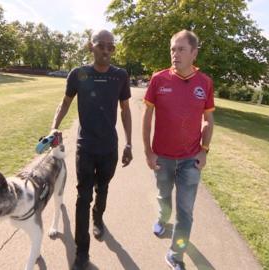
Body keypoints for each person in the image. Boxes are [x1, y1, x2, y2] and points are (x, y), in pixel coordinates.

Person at [50, 29, 133, 270]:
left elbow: (125, 110)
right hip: (85, 147)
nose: (106, 50)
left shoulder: (120, 76)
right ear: (91, 46)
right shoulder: (79, 74)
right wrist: (54, 128)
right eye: (101, 45)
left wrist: (129, 142)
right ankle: (82, 253)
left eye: (110, 46)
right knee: (82, 197)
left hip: (109, 148)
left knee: (103, 187)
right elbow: (65, 103)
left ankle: (98, 218)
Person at [142, 30, 215, 270]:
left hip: (189, 160)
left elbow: (208, 120)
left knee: (186, 211)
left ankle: (176, 254)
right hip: (162, 157)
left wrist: (204, 149)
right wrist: (148, 152)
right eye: (173, 49)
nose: (175, 54)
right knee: (164, 198)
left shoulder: (205, 83)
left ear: (194, 53)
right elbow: (147, 117)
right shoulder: (158, 79)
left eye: (181, 49)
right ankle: (163, 219)